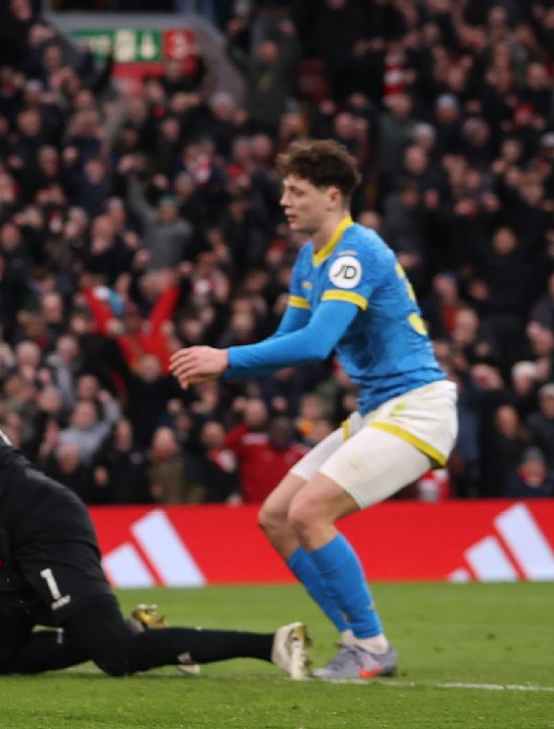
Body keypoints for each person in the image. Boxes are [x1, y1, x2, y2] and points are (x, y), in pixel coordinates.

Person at [0, 311, 310, 680]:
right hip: (27, 536)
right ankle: (130, 630)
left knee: (117, 655)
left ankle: (270, 644)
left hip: (42, 530)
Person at [170, 140, 458, 680]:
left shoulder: (356, 252)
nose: (285, 201)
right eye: (284, 190)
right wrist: (225, 368)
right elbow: (288, 340)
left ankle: (371, 646)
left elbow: (315, 344)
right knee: (277, 517)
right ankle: (357, 640)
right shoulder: (310, 259)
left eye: (296, 191)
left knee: (309, 513)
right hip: (378, 409)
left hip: (417, 407)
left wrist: (226, 358)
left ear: (332, 196)